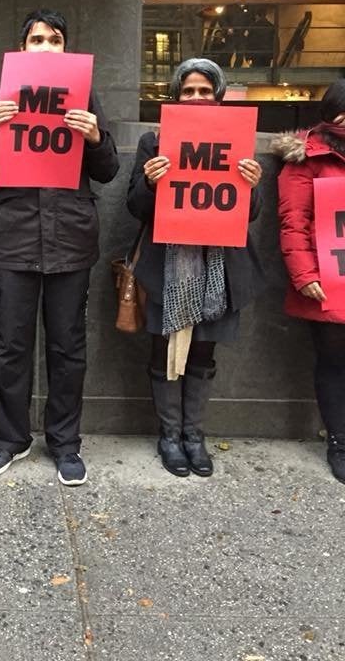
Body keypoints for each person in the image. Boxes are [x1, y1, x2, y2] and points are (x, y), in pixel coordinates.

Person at [0, 9, 119, 486]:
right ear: (22, 47)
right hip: (14, 239)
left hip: (70, 241)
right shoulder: (1, 97)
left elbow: (109, 170)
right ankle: (10, 439)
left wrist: (95, 136)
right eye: (37, 39)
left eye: (55, 39)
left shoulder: (84, 97)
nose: (46, 46)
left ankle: (65, 443)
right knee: (10, 347)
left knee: (68, 348)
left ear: (66, 48)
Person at [127, 58, 262, 477]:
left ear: (218, 97)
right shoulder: (155, 142)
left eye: (206, 91)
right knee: (165, 352)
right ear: (176, 97)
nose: (198, 98)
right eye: (189, 91)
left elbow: (250, 214)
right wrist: (151, 182)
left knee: (203, 353)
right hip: (167, 265)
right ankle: (169, 437)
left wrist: (252, 186)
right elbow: (135, 207)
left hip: (218, 268)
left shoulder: (236, 141)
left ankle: (193, 436)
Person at [274, 79, 345, 483]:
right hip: (328, 278)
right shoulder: (307, 158)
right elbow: (293, 221)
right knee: (334, 362)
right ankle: (340, 441)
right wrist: (304, 274)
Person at [223, 0, 251, 68]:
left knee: (240, 55)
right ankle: (226, 70)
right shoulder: (229, 7)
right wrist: (227, 28)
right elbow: (222, 18)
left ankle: (236, 72)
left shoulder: (249, 8)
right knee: (228, 53)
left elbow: (252, 20)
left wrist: (248, 30)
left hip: (242, 34)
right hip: (231, 34)